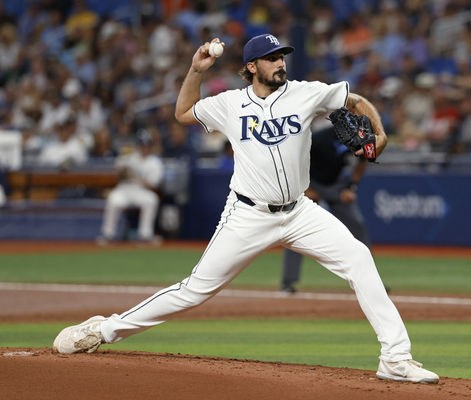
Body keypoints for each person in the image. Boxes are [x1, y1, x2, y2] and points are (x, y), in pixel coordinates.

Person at [53, 34, 439, 384]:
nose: (280, 63)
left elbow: (354, 100)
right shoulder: (230, 104)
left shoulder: (306, 93)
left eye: (282, 56)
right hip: (248, 215)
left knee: (358, 257)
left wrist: (381, 132)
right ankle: (103, 330)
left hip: (300, 212)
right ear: (252, 66)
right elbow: (183, 113)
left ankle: (395, 358)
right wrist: (194, 70)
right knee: (194, 291)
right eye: (271, 58)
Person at [280, 123, 369, 293]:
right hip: (310, 182)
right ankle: (288, 282)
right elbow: (294, 162)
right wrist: (305, 189)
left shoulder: (360, 138)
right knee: (296, 229)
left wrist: (351, 187)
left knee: (357, 225)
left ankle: (368, 282)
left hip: (336, 185)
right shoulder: (319, 138)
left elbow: (363, 161)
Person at [97, 129, 164, 244]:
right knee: (113, 199)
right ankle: (108, 235)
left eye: (147, 145)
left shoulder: (155, 162)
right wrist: (124, 169)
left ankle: (145, 235)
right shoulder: (130, 156)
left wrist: (137, 178)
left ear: (150, 146)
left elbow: (153, 185)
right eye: (142, 144)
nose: (144, 147)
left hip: (141, 191)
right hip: (125, 189)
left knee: (151, 200)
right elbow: (118, 172)